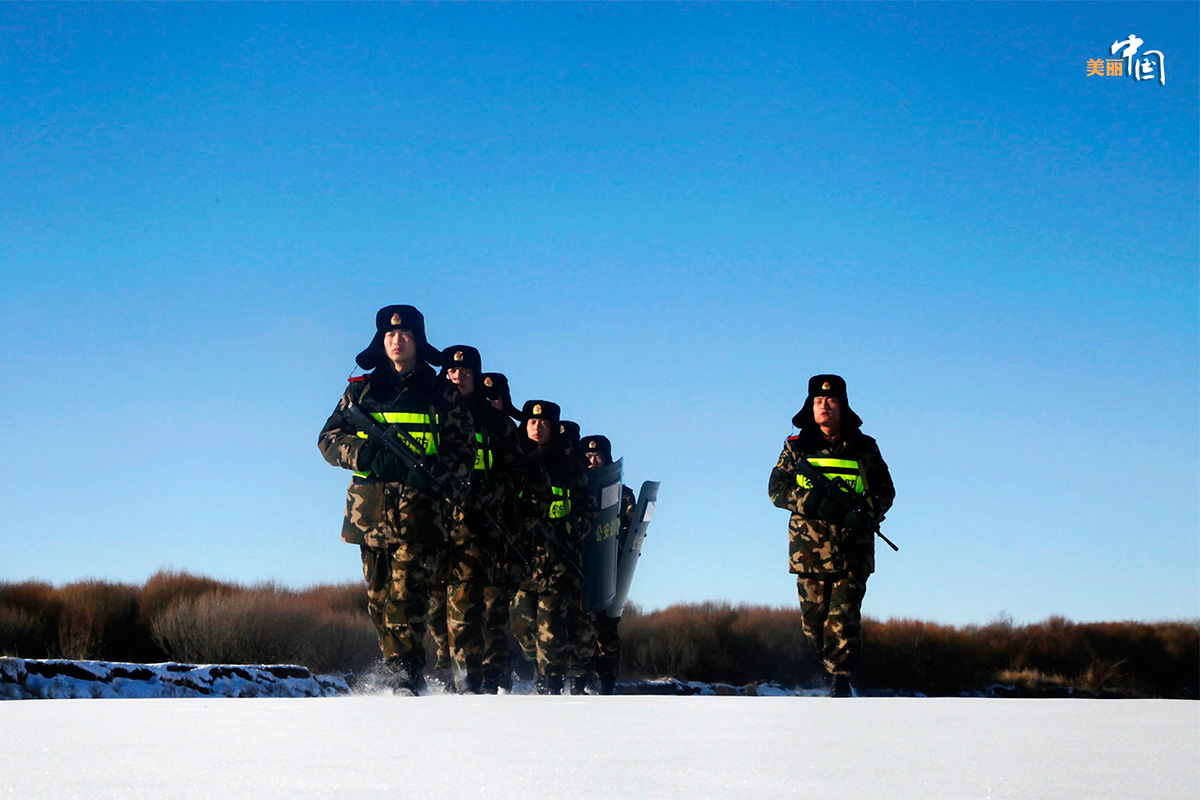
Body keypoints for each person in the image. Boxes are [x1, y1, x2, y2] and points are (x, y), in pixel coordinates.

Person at [317, 305, 474, 694]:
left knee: (407, 596)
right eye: (390, 335)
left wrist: (436, 472)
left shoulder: (442, 393)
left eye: (405, 334)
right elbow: (327, 440)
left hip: (420, 513)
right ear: (380, 341)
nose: (397, 340)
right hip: (368, 513)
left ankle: (405, 675)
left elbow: (464, 452)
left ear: (418, 340)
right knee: (379, 598)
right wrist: (366, 454)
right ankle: (395, 667)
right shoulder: (360, 390)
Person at [768, 374, 895, 697]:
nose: (824, 406)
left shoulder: (864, 447)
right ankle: (830, 669)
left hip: (854, 548)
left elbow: (885, 490)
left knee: (844, 617)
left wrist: (866, 512)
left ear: (843, 405)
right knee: (814, 622)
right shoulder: (795, 448)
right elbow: (776, 489)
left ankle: (840, 680)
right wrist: (812, 501)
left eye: (831, 400)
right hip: (808, 552)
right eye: (818, 401)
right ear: (810, 407)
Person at [429, 345, 524, 693]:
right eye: (452, 372)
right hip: (431, 523)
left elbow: (515, 474)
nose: (457, 377)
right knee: (433, 607)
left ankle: (469, 684)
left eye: (465, 373)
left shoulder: (497, 425)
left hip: (476, 526)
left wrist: (489, 494)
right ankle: (445, 671)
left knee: (467, 606)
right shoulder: (432, 411)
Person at [509, 400, 597, 694]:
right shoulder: (515, 463)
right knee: (522, 624)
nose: (536, 428)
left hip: (558, 559)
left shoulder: (570, 471)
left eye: (544, 423)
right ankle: (541, 667)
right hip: (522, 558)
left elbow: (587, 511)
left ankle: (551, 680)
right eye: (532, 423)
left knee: (550, 625)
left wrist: (566, 531)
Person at [575, 434, 637, 695]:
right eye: (587, 457)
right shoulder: (576, 487)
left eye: (597, 456)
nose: (592, 461)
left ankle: (607, 681)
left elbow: (632, 528)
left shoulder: (623, 494)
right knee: (580, 629)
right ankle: (579, 681)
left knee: (606, 629)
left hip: (609, 570)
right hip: (580, 568)